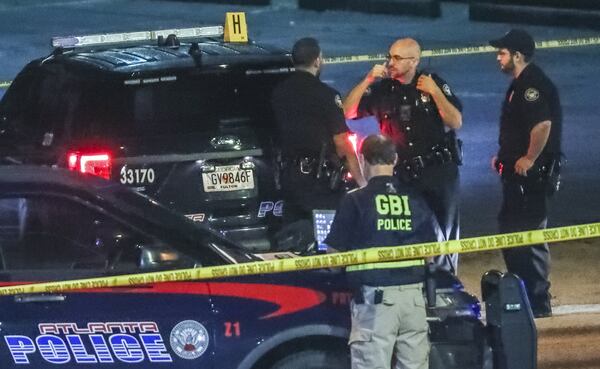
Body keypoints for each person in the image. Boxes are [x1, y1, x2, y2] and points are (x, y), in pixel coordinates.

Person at [324, 134, 444, 369]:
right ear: (395, 159)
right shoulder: (414, 198)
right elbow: (431, 253)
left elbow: (334, 260)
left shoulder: (355, 201)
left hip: (375, 304)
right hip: (413, 301)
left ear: (362, 159)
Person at [343, 38, 462, 273]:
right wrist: (367, 79)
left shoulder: (431, 83)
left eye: (397, 58)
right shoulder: (383, 90)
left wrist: (435, 92)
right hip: (404, 177)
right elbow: (348, 112)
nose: (390, 62)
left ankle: (445, 283)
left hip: (438, 171)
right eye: (390, 56)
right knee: (411, 233)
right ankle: (417, 282)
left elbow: (455, 120)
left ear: (414, 61)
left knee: (445, 234)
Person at [489, 29, 562, 318]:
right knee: (512, 234)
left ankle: (538, 304)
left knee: (528, 239)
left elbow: (542, 124)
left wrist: (529, 158)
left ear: (517, 56)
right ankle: (524, 299)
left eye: (503, 53)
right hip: (517, 178)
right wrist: (505, 157)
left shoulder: (532, 85)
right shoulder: (520, 84)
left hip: (531, 180)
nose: (498, 57)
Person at [271, 37, 366, 230]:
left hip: (289, 177)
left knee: (294, 233)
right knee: (325, 236)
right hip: (319, 181)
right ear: (317, 60)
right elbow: (342, 142)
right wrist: (361, 181)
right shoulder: (326, 94)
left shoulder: (278, 93)